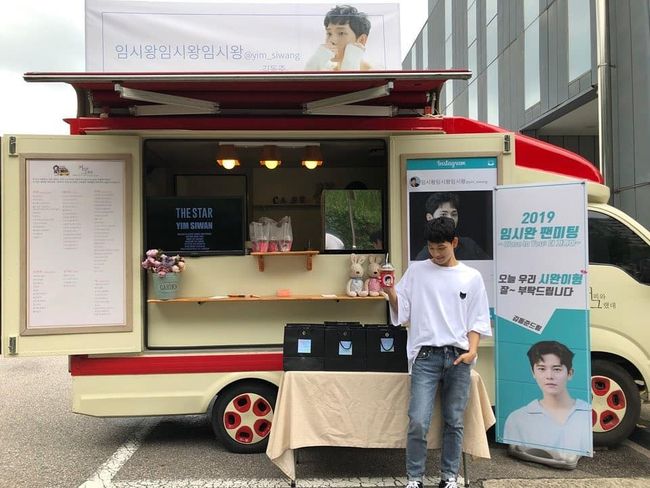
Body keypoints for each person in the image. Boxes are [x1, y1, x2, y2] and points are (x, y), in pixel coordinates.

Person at [384, 217, 492, 488]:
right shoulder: (417, 271)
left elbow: (478, 319)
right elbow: (403, 312)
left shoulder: (471, 277)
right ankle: (414, 479)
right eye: (431, 248)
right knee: (418, 421)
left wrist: (472, 351)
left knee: (454, 421)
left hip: (458, 356)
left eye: (441, 248)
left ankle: (449, 477)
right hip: (425, 356)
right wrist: (390, 292)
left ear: (454, 242)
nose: (436, 254)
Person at [503, 341, 592, 455]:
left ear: (570, 373)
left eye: (557, 369)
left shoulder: (587, 412)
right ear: (533, 372)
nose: (549, 376)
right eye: (541, 369)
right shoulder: (517, 418)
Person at [414, 192, 489, 261]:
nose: (450, 218)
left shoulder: (469, 246)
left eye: (454, 214)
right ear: (429, 217)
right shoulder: (423, 257)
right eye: (443, 214)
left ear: (454, 242)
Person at [305, 5, 372, 71]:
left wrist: (351, 61)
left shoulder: (374, 74)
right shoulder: (326, 70)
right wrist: (315, 63)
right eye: (329, 33)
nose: (332, 40)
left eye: (341, 33)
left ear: (361, 40)